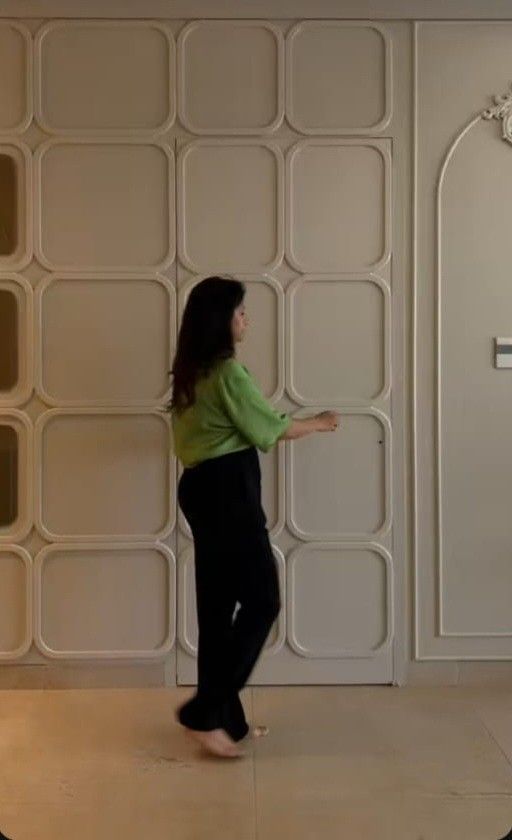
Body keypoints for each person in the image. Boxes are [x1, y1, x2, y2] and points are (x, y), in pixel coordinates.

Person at [165, 275, 340, 759]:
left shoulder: (190, 371)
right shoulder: (225, 373)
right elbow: (266, 429)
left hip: (200, 488)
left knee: (218, 608)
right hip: (227, 491)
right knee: (262, 599)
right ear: (222, 321)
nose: (247, 320)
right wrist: (321, 423)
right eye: (241, 312)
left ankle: (226, 723)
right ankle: (206, 710)